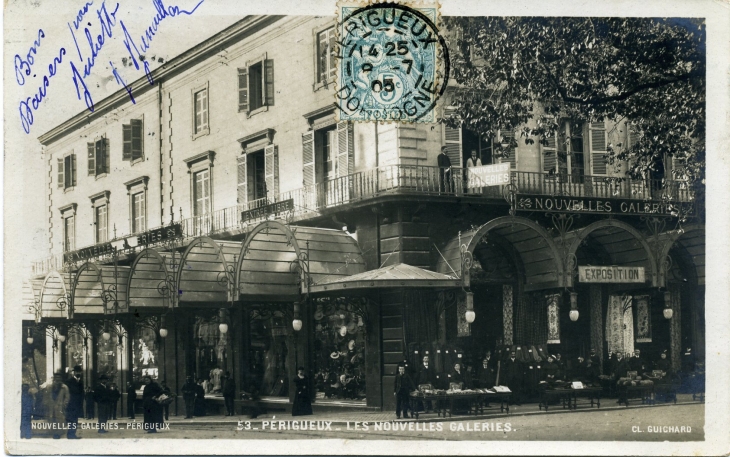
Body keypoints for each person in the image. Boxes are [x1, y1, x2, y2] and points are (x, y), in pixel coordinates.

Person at [41, 372, 70, 439]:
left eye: (59, 378)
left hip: (60, 408)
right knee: (51, 421)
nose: (57, 379)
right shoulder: (49, 387)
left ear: (61, 379)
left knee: (60, 422)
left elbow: (67, 397)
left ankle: (59, 434)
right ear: (54, 378)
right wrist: (46, 404)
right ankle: (53, 434)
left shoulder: (64, 387)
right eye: (56, 377)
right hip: (51, 407)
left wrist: (64, 405)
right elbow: (46, 396)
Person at [64, 365, 84, 439]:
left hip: (77, 404)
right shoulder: (69, 381)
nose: (78, 373)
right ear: (74, 372)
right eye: (77, 371)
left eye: (79, 372)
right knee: (71, 419)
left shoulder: (80, 381)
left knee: (75, 420)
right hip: (71, 404)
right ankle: (70, 434)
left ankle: (73, 434)